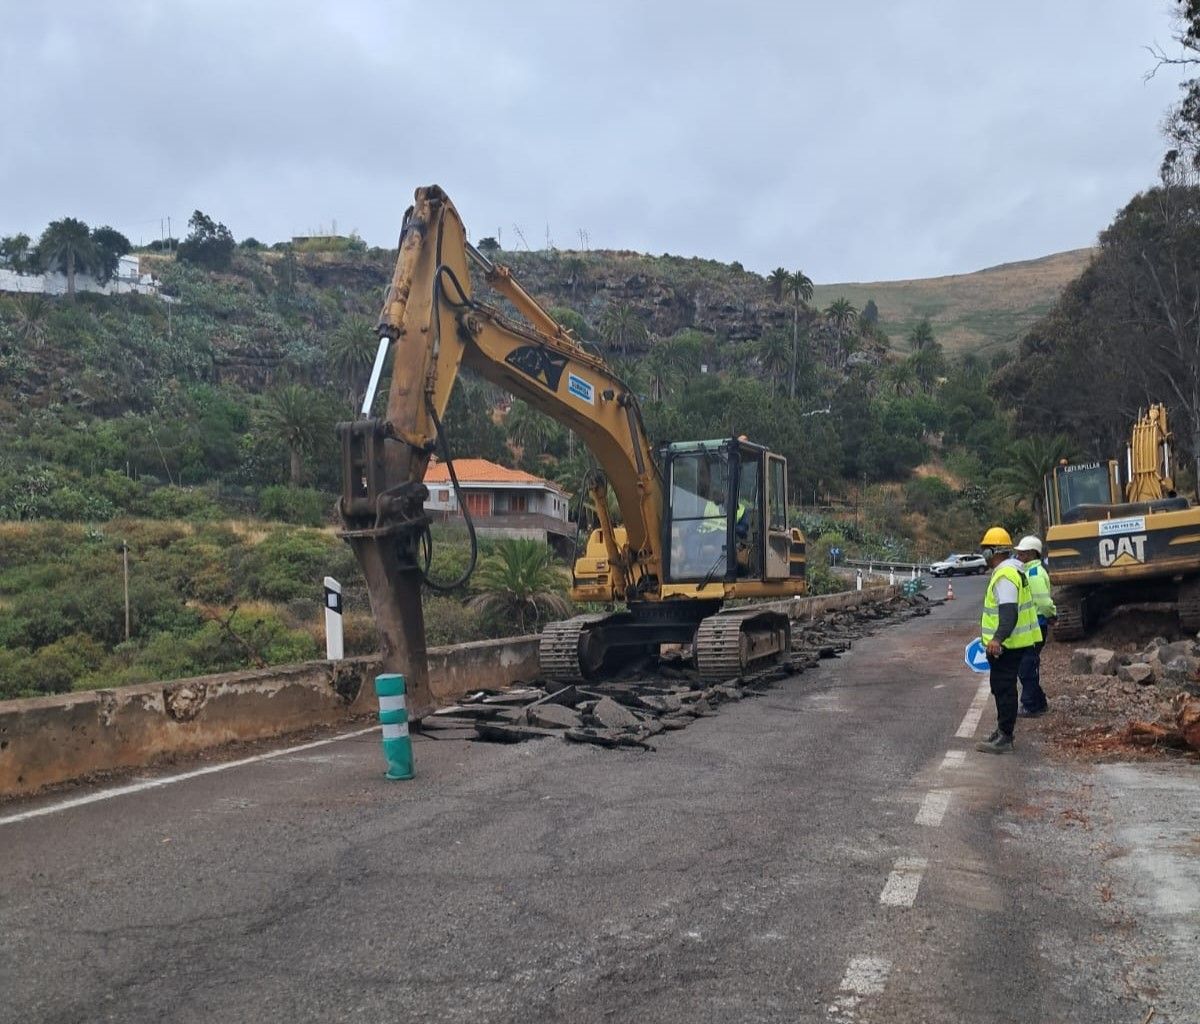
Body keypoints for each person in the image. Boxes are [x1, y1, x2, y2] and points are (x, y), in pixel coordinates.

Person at [976, 526, 1043, 754]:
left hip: (1007, 645)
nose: (983, 555)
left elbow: (1009, 612)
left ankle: (1005, 736)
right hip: (1013, 643)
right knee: (1001, 687)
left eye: (986, 550)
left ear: (994, 551)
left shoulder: (1005, 575)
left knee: (1004, 689)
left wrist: (997, 639)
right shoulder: (1013, 571)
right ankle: (1002, 730)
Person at [1014, 534, 1055, 717]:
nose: (1018, 557)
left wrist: (1051, 615)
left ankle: (1031, 704)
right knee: (1028, 665)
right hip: (1033, 625)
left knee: (1027, 666)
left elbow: (1044, 603)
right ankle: (1038, 702)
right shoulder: (1030, 571)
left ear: (1031, 553)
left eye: (1022, 553)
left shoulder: (1034, 573)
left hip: (1036, 625)